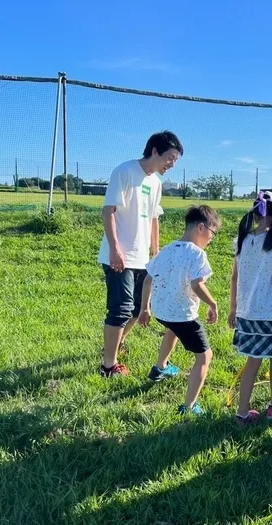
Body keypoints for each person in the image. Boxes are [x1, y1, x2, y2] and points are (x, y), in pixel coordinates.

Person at [98, 131, 183, 377]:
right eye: (170, 158)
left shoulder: (156, 183)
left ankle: (114, 345)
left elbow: (155, 218)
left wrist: (157, 253)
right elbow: (108, 212)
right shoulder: (124, 172)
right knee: (121, 309)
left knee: (137, 309)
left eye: (176, 161)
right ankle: (108, 366)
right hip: (120, 256)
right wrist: (114, 249)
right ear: (155, 151)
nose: (172, 164)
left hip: (143, 258)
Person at [137, 206, 222, 415]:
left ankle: (161, 368)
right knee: (205, 356)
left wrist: (144, 308)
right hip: (183, 316)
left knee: (172, 329)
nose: (212, 239)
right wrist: (213, 304)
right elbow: (197, 285)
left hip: (161, 312)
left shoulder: (167, 249)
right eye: (213, 233)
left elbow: (148, 279)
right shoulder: (197, 254)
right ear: (201, 228)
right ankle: (189, 406)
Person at [229, 191, 272, 425]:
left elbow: (235, 277)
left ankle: (243, 412)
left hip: (247, 310)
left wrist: (233, 308)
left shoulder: (242, 240)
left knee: (252, 362)